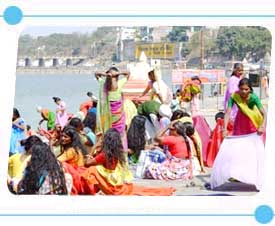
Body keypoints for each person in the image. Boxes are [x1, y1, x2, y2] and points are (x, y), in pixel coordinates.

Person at [210, 78, 266, 191]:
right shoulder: (235, 96)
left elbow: (264, 113)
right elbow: (228, 113)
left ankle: (253, 175)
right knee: (238, 149)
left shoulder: (254, 98)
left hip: (252, 123)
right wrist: (224, 128)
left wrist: (262, 126)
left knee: (251, 150)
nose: (244, 92)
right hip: (240, 123)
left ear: (250, 90)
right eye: (241, 89)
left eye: (246, 89)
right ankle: (237, 174)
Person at [95, 67, 130, 151]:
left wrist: (107, 74)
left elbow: (96, 73)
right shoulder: (119, 84)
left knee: (109, 136)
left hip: (108, 119)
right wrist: (117, 73)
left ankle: (108, 152)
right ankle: (121, 153)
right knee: (120, 136)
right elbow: (128, 73)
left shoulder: (103, 84)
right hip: (118, 119)